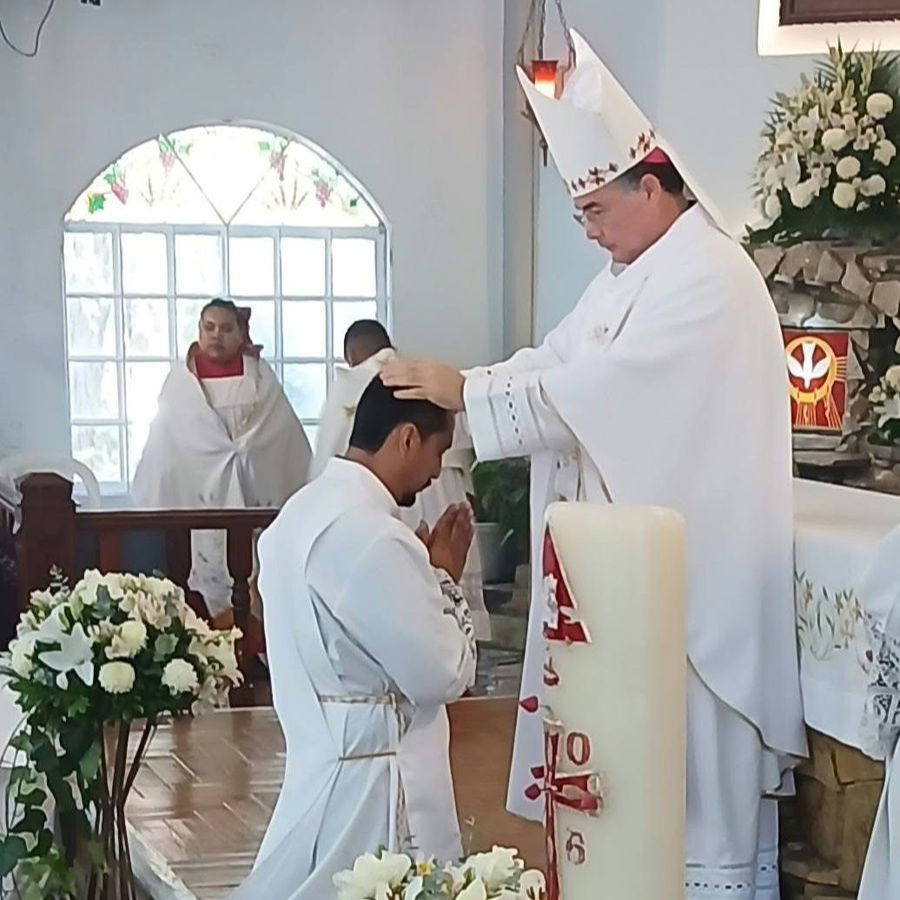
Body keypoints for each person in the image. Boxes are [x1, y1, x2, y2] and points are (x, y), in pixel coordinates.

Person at [382, 30, 806, 900]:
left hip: (695, 598)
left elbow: (604, 392)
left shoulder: (709, 276)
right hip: (623, 593)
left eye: (597, 212)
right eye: (579, 217)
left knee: (684, 793)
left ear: (650, 186)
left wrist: (470, 392)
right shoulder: (628, 275)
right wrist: (473, 384)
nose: (590, 233)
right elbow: (556, 362)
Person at [231, 376, 476, 899]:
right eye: (438, 452)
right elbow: (440, 673)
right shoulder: (373, 536)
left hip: (320, 765)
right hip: (376, 786)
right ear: (407, 438)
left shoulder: (298, 514)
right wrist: (443, 578)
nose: (437, 472)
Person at [132, 298, 311, 619]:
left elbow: (279, 434)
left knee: (254, 578)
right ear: (199, 331)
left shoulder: (260, 376)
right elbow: (167, 441)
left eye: (227, 329)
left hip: (252, 497)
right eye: (209, 327)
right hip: (198, 500)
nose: (217, 335)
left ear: (241, 333)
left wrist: (245, 452)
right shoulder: (181, 381)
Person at [312, 319, 490, 638]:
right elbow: (436, 663)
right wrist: (443, 581)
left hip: (368, 497)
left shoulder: (348, 388)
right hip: (432, 502)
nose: (436, 471)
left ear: (350, 355)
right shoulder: (423, 379)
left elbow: (325, 454)